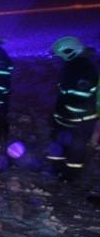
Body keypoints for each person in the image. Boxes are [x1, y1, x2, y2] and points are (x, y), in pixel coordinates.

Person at [45, 36, 98, 182]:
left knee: (76, 149)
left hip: (79, 121)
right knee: (59, 145)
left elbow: (79, 99)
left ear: (69, 52)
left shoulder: (84, 70)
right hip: (66, 119)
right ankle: (56, 170)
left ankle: (70, 177)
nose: (57, 60)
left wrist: (67, 116)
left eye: (59, 56)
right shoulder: (72, 67)